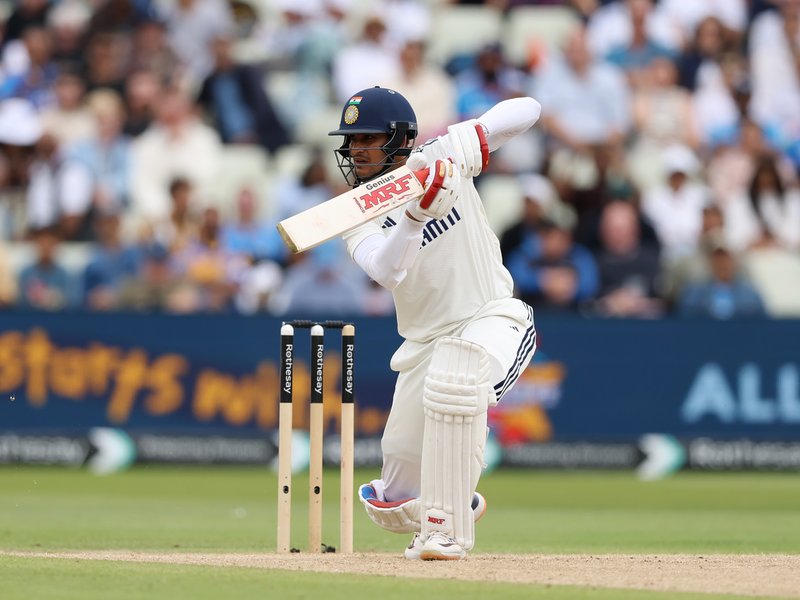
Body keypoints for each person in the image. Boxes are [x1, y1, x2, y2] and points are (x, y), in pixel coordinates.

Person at [328, 86, 540, 560]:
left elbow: (529, 109)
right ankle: (455, 501)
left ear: (401, 139)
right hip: (424, 343)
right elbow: (386, 271)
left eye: (367, 139)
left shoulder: (441, 157)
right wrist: (414, 216)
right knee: (395, 501)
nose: (355, 150)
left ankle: (446, 531)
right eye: (351, 141)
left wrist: (466, 137)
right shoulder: (355, 214)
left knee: (458, 383)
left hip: (492, 316)